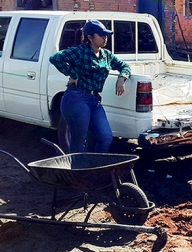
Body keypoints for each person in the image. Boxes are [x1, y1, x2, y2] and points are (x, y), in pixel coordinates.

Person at [49, 20, 131, 153]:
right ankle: (78, 171)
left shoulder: (106, 55)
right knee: (78, 141)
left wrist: (122, 78)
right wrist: (73, 74)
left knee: (105, 138)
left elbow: (124, 66)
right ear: (90, 37)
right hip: (77, 98)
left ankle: (94, 169)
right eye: (101, 35)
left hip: (94, 100)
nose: (105, 38)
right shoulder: (80, 51)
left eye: (106, 35)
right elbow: (55, 58)